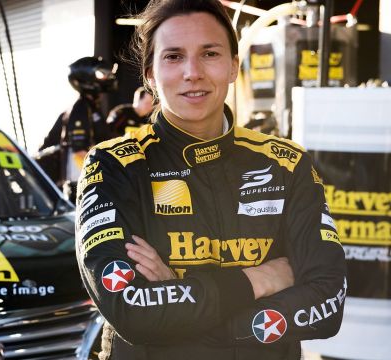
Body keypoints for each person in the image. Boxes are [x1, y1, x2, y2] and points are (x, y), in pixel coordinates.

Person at [74, 1, 346, 359]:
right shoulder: (114, 166)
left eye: (210, 53)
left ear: (234, 66)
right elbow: (131, 310)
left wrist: (181, 298)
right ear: (150, 75)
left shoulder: (287, 164)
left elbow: (327, 302)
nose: (193, 72)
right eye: (173, 56)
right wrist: (260, 280)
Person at [36, 56, 117, 195]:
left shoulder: (91, 108)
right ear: (87, 79)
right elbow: (79, 152)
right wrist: (109, 176)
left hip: (85, 185)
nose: (108, 77)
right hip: (81, 188)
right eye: (102, 74)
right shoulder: (81, 108)